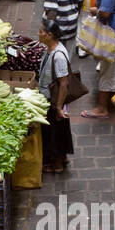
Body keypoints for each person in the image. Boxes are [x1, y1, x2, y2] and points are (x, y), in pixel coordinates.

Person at [37, 15, 75, 174]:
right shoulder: (51, 49)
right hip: (51, 98)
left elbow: (64, 83)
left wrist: (59, 107)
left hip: (53, 100)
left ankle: (57, 165)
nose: (38, 34)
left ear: (49, 35)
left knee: (54, 132)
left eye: (41, 31)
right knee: (60, 130)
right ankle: (63, 158)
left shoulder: (58, 55)